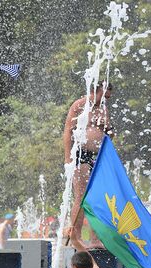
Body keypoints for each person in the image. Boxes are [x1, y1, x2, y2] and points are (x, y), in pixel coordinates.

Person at [64, 81, 114, 252]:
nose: (105, 100)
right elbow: (67, 132)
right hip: (80, 155)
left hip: (98, 157)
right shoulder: (79, 105)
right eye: (104, 96)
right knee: (81, 195)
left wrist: (110, 131)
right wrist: (67, 159)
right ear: (95, 90)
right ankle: (75, 237)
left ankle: (94, 238)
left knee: (97, 197)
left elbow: (108, 132)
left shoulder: (104, 109)